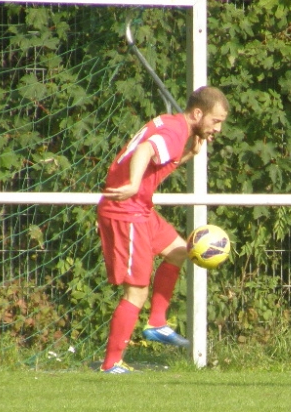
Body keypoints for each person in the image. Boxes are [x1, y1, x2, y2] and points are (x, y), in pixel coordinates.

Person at [96, 86, 229, 373]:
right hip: (125, 212)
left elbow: (155, 165)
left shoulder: (174, 126)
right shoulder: (174, 131)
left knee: (180, 251)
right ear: (197, 113)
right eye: (215, 121)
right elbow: (144, 150)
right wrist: (132, 185)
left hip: (140, 209)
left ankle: (157, 322)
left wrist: (188, 156)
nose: (218, 129)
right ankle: (111, 364)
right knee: (136, 293)